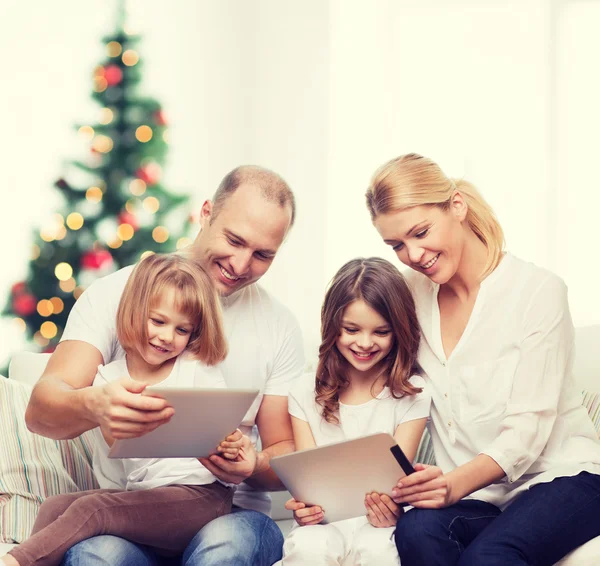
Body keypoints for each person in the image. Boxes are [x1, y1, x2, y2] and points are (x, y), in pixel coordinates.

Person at [25, 166, 305, 566]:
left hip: (227, 512)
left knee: (227, 547)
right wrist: (95, 405)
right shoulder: (118, 293)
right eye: (234, 240)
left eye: (263, 255)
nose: (242, 265)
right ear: (206, 213)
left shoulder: (278, 326)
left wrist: (251, 464)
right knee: (96, 554)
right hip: (130, 514)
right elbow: (41, 411)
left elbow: (284, 453)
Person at [364, 152, 600, 565]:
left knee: (489, 556)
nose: (414, 254)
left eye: (421, 232)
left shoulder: (537, 291)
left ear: (457, 206)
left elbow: (528, 430)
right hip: (481, 496)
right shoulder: (409, 296)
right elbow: (381, 391)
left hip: (563, 478)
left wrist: (452, 485)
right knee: (416, 530)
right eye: (397, 245)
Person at [3, 253, 247, 566]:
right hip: (145, 498)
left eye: (182, 330)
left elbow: (223, 432)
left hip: (201, 497)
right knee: (55, 506)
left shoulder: (197, 368)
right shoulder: (108, 378)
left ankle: (15, 562)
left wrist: (234, 445)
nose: (166, 337)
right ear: (134, 311)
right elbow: (116, 459)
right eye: (158, 321)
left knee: (92, 509)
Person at [281, 257, 431, 565]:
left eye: (381, 332)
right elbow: (308, 482)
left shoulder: (412, 392)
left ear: (398, 330)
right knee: (309, 548)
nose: (364, 343)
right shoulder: (302, 390)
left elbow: (396, 484)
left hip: (379, 524)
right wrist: (305, 508)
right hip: (322, 524)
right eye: (351, 329)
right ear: (332, 326)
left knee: (378, 551)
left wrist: (390, 509)